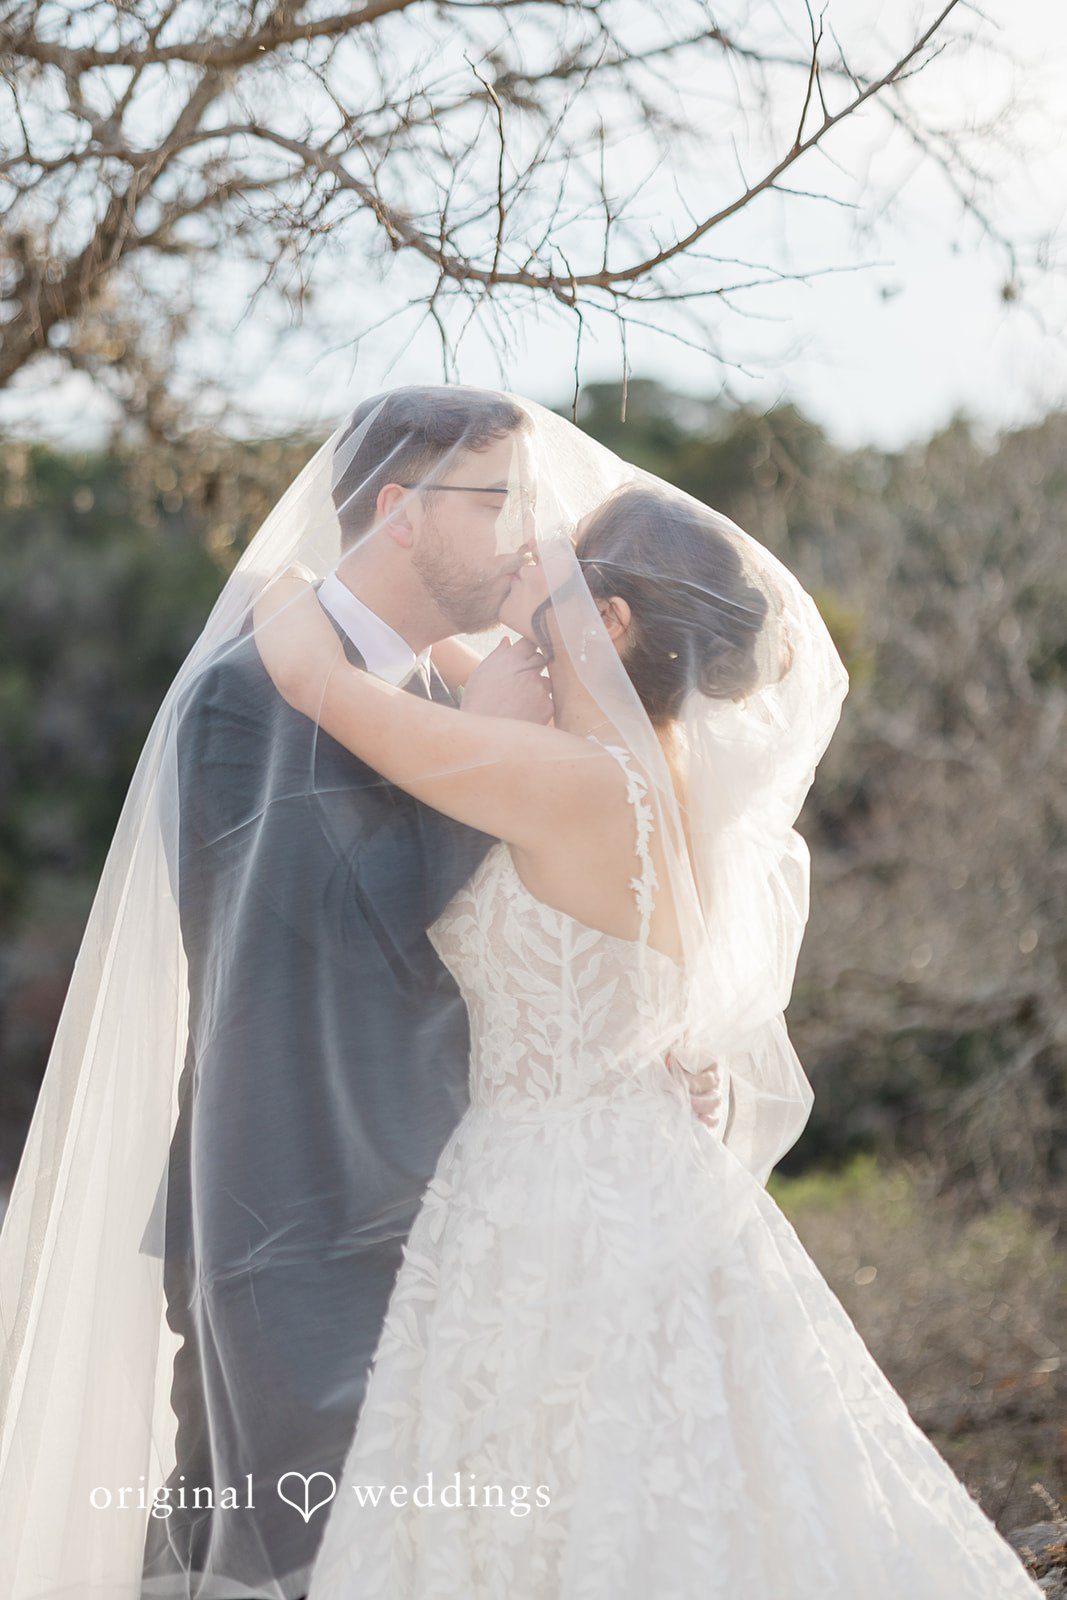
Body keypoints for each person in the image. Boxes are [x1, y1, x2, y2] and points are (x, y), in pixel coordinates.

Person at [249, 466, 1043, 1597]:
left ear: (608, 621)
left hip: (546, 1190)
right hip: (640, 1161)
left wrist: (274, 575)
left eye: (558, 555)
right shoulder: (659, 767)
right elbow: (478, 685)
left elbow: (316, 680)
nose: (530, 550)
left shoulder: (561, 778)